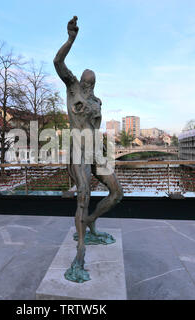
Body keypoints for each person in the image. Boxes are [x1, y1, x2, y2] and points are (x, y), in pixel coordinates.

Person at [54, 16, 124, 282]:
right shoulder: (73, 89)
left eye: (92, 83)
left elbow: (96, 128)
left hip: (96, 152)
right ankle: (80, 254)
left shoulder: (96, 101)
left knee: (117, 193)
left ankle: (90, 221)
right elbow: (58, 63)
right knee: (83, 194)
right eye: (86, 81)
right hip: (79, 152)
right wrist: (70, 39)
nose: (88, 85)